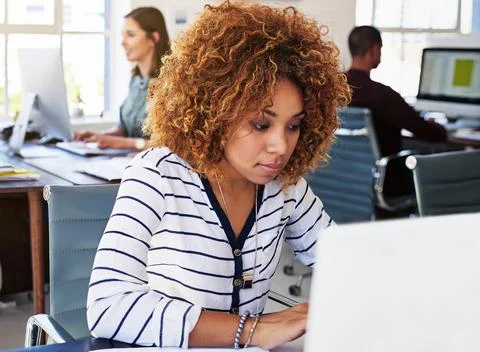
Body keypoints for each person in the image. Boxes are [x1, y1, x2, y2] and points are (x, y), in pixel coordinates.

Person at [87, 1, 350, 349]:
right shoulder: (157, 174)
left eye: (294, 126)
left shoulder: (286, 188)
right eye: (260, 124)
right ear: (215, 110)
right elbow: (107, 307)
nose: (280, 146)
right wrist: (251, 329)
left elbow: (349, 263)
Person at [345, 25, 447, 196]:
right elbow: (427, 132)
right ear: (374, 49)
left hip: (345, 179)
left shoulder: (332, 90)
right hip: (383, 182)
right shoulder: (382, 95)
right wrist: (441, 129)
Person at [74, 7, 170, 150]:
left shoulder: (170, 84)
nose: (123, 42)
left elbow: (170, 144)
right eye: (122, 35)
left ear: (153, 38)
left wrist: (124, 143)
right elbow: (125, 130)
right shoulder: (136, 81)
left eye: (130, 35)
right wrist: (99, 137)